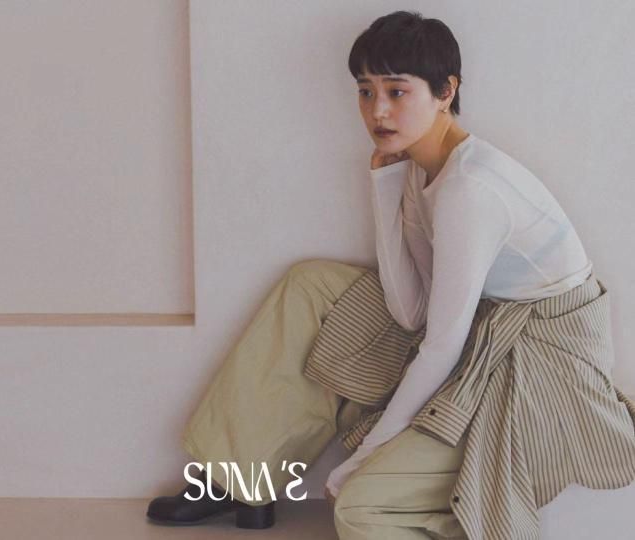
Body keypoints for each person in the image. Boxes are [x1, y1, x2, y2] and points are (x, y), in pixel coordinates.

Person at [145, 9, 634, 539]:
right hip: (480, 331)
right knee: (311, 288)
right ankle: (240, 479)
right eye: (365, 91)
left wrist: (368, 453)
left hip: (537, 366)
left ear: (446, 92)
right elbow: (412, 312)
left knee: (360, 508)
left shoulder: (470, 190)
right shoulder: (422, 167)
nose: (377, 110)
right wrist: (384, 190)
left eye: (397, 91)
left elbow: (441, 345)